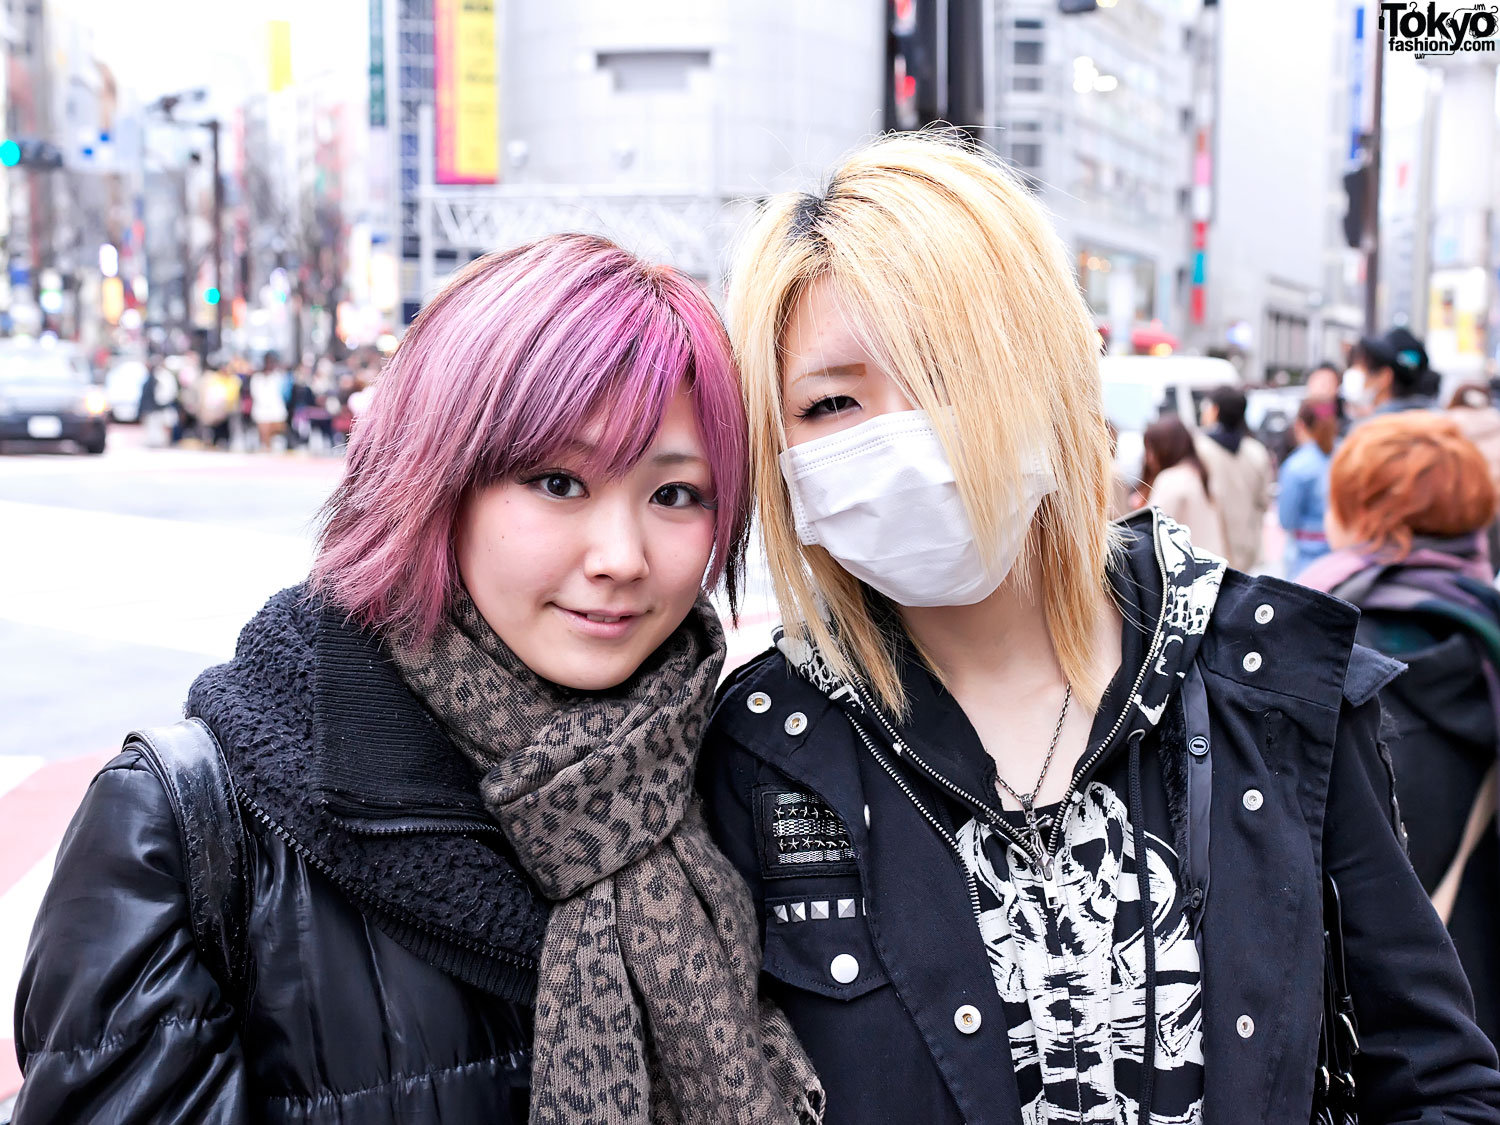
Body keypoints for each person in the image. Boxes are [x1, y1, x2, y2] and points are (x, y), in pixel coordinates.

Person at [699, 133, 1500, 1124]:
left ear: (1048, 374)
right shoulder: (760, 749)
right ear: (776, 448)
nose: (904, 436)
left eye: (946, 372)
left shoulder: (1272, 681)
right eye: (832, 402)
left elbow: (1433, 1079)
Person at [12, 234, 822, 1124]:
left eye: (676, 495)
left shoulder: (746, 771)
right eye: (557, 481)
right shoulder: (184, 835)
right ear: (437, 480)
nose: (622, 558)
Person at [1298, 412, 1500, 1045]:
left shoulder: (1319, 647)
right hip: (1481, 1003)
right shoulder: (1487, 637)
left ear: (1363, 513)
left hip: (1376, 1023)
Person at [1194, 385, 1275, 571]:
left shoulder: (1199, 450)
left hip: (1209, 548)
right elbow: (1263, 501)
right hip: (1246, 548)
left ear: (1215, 411)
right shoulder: (1257, 451)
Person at [1136, 413, 1227, 557]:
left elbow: (1150, 531)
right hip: (1212, 566)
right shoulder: (1198, 472)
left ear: (1165, 448)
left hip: (1188, 570)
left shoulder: (1171, 479)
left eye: (1151, 449)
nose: (1148, 458)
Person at [1278, 397, 1339, 578]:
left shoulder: (1296, 466)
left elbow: (1287, 520)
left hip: (1306, 561)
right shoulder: (1345, 455)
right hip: (1342, 555)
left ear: (1299, 425)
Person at [1348, 327, 1438, 417]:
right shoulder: (1432, 416)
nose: (1357, 372)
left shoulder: (1374, 426)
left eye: (1364, 368)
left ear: (1385, 376)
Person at [249, 352, 290, 451]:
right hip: (261, 411)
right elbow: (255, 395)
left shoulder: (279, 377)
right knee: (265, 437)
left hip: (276, 411)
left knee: (278, 435)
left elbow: (284, 395)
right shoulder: (257, 378)